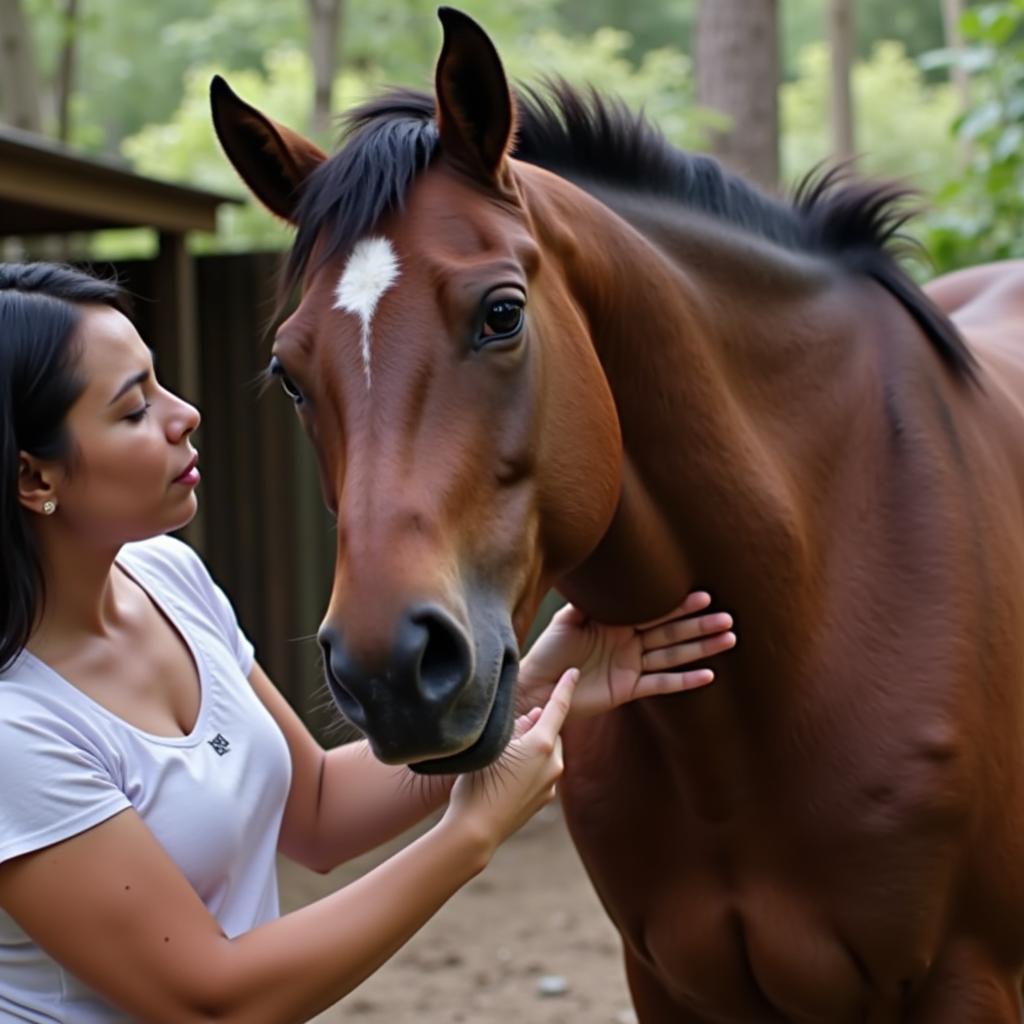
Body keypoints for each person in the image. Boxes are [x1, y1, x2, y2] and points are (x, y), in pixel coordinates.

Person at [0, 262, 737, 1023]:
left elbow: (314, 806)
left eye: (159, 384)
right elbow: (211, 1003)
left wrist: (533, 684)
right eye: (132, 410)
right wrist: (470, 835)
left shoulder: (167, 579)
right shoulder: (14, 729)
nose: (184, 414)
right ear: (32, 474)